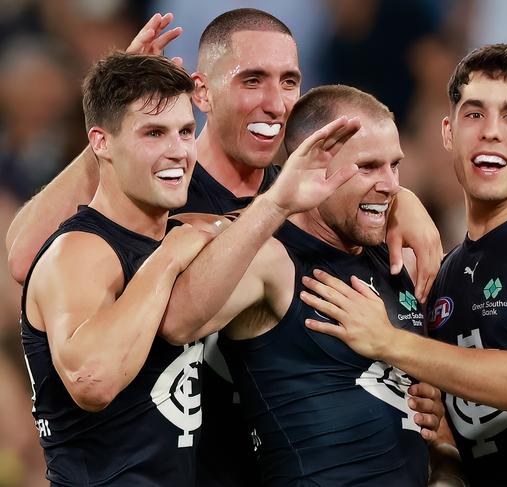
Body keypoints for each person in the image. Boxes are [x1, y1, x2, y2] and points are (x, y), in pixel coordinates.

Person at [7, 9, 444, 486]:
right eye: (252, 81)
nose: (276, 103)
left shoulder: (301, 201)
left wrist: (397, 199)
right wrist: (116, 127)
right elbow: (30, 255)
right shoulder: (162, 192)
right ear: (202, 93)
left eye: (290, 81)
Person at [300, 44, 507, 486]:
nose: (491, 131)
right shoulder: (443, 274)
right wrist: (444, 453)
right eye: (474, 114)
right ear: (448, 132)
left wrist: (389, 342)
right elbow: (469, 433)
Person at [158, 84, 439, 486]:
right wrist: (276, 204)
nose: (391, 184)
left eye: (395, 165)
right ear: (313, 166)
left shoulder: (395, 253)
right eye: (369, 166)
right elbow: (177, 322)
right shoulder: (274, 259)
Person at [20, 52, 212, 486]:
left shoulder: (181, 233)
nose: (178, 151)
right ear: (102, 142)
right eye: (154, 133)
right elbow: (92, 380)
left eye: (185, 131)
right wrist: (167, 258)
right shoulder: (79, 251)